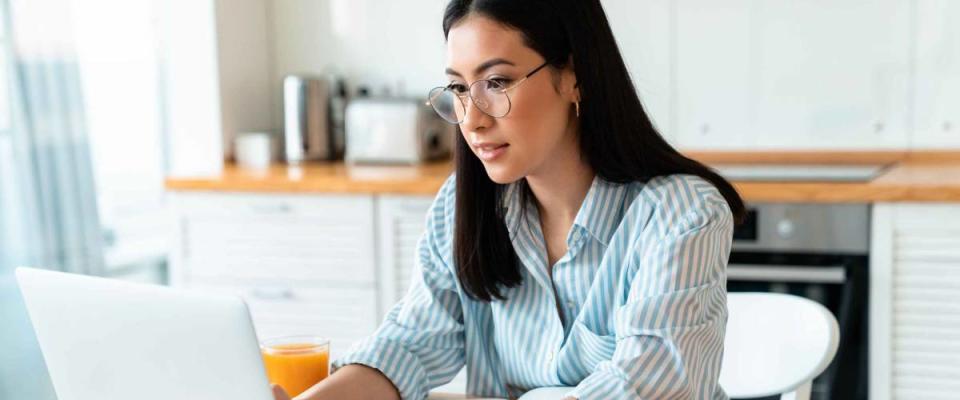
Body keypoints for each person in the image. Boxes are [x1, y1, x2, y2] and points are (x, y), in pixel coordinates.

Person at [273, 0, 745, 399]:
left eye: (496, 83)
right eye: (458, 88)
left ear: (574, 76)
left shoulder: (681, 214)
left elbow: (646, 385)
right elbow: (409, 346)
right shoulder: (464, 207)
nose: (471, 120)